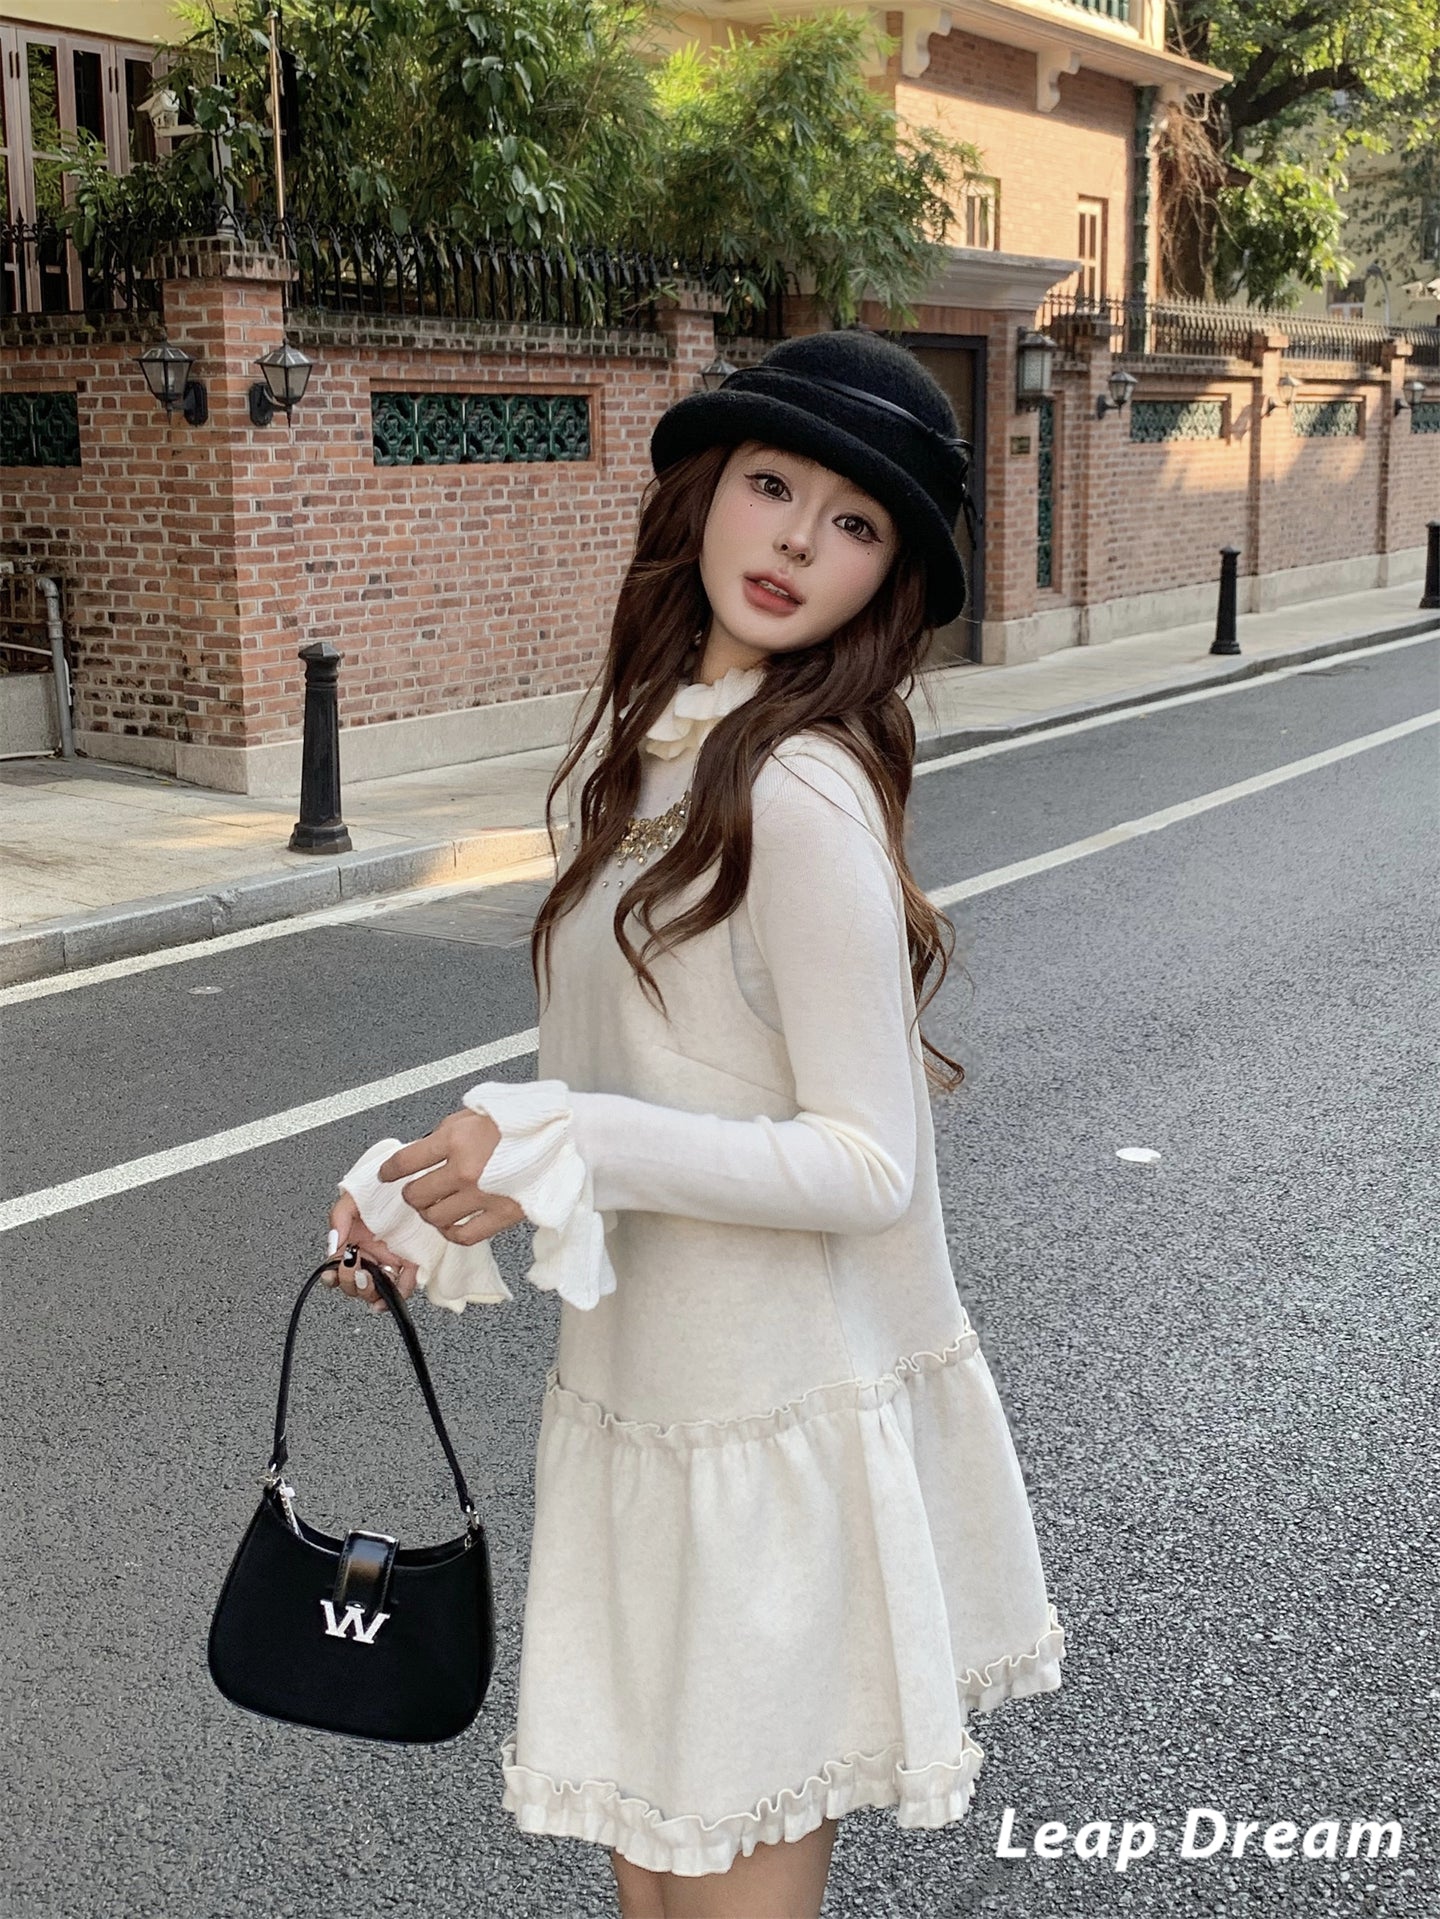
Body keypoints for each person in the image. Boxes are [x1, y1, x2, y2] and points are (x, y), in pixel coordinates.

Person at [323, 329, 1066, 1919]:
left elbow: (866, 1163)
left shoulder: (795, 790)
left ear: (889, 579)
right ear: (708, 494)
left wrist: (566, 1147)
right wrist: (434, 1196)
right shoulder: (655, 752)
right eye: (773, 486)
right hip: (645, 1413)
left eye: (853, 523)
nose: (796, 541)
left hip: (767, 1436)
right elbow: (630, 1074)